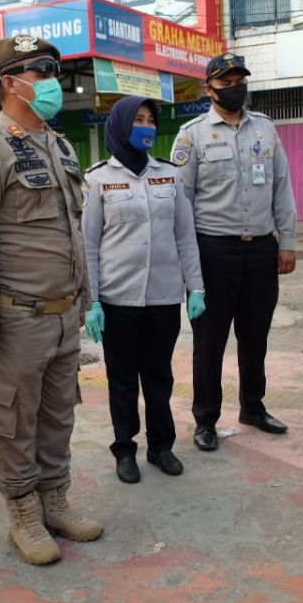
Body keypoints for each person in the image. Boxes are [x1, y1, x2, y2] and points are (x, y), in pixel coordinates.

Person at [0, 35, 103, 565]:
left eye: (53, 70)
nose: (51, 81)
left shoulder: (60, 146)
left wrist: (84, 296)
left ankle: (54, 499)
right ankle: (23, 511)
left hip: (63, 316)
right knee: (13, 419)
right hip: (16, 318)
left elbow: (72, 229)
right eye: (39, 71)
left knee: (58, 414)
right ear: (9, 82)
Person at [170, 53, 298, 452]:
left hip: (261, 249)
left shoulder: (265, 129)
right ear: (209, 89)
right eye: (226, 82)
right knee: (210, 340)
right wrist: (189, 265)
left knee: (255, 336)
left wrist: (287, 241)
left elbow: (281, 186)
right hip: (213, 250)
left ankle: (253, 407)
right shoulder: (191, 135)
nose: (235, 87)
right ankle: (205, 418)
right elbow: (180, 202)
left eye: (240, 79)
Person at [82, 96, 205, 484]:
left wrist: (195, 288)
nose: (147, 126)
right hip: (118, 301)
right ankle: (125, 449)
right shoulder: (98, 179)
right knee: (121, 379)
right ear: (120, 125)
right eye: (138, 119)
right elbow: (88, 245)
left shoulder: (170, 175)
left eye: (151, 120)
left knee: (159, 376)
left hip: (164, 297)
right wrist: (93, 302)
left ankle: (161, 447)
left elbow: (185, 236)